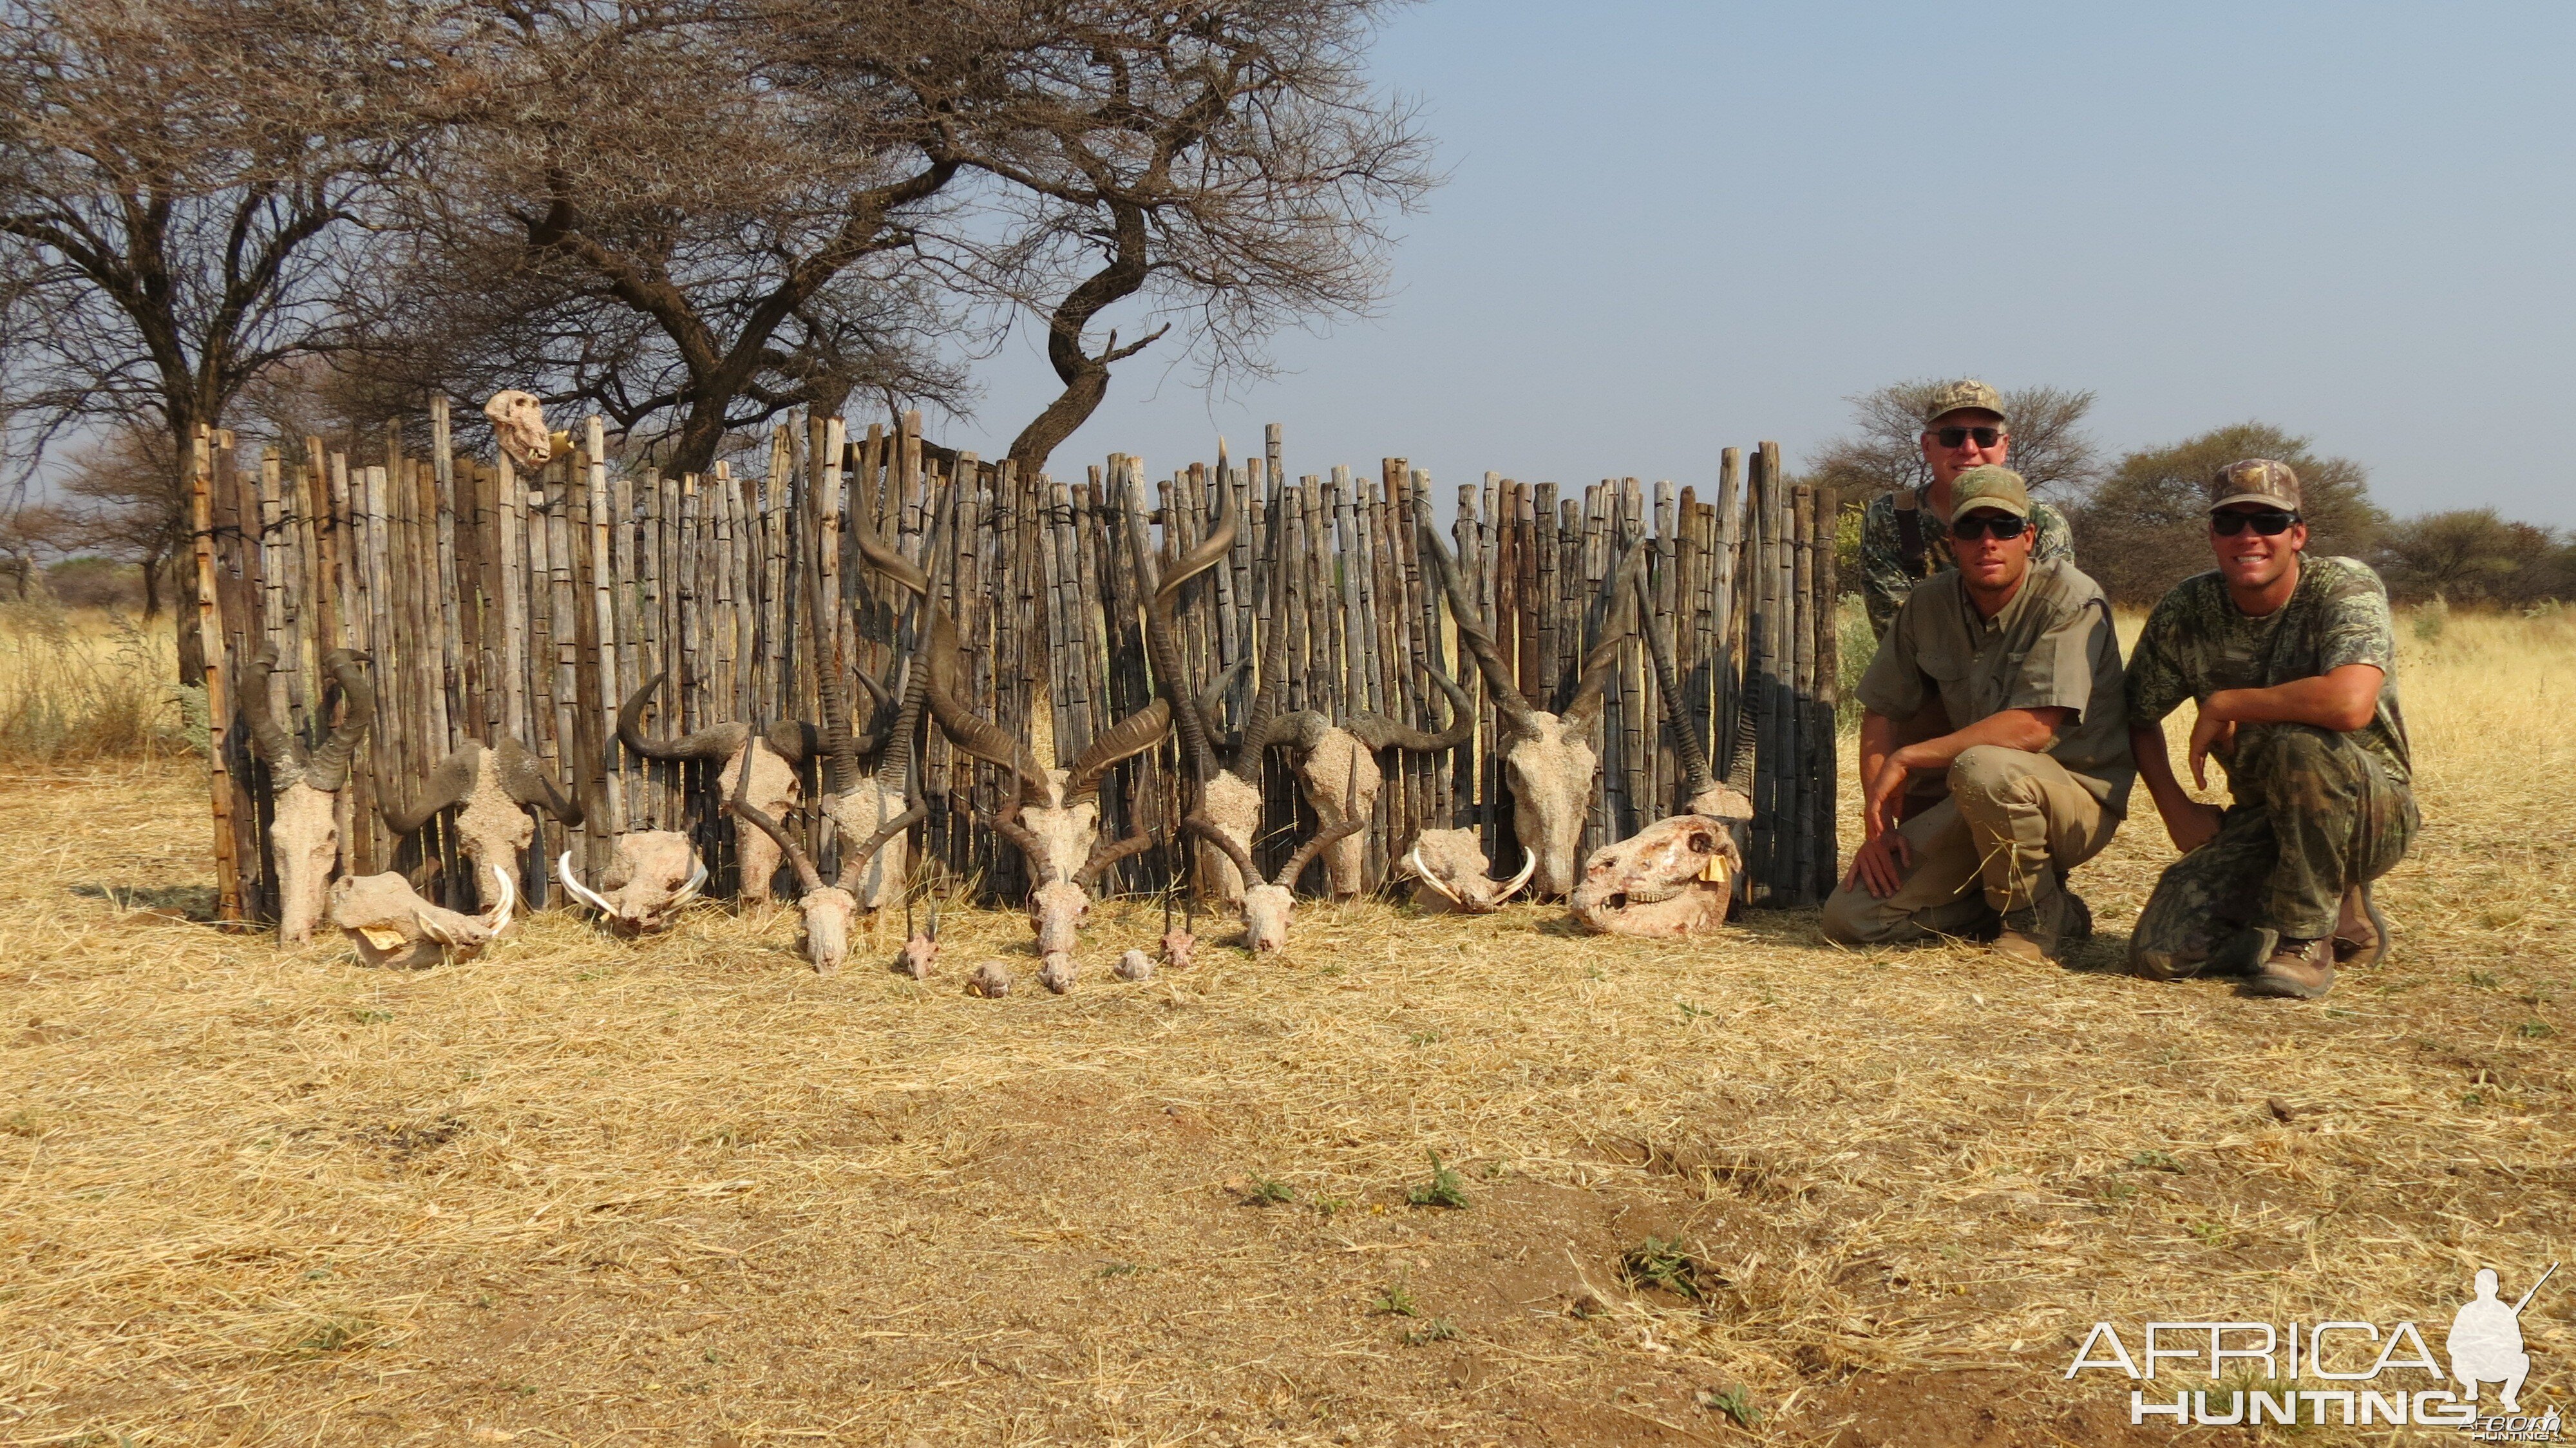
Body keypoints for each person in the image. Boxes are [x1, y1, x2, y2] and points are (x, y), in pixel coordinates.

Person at [2125, 460, 2414, 1000]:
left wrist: (2228, 702)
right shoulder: (2187, 608)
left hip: (2368, 816)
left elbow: (2350, 705)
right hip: (2264, 819)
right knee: (2157, 955)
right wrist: (2176, 810)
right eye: (2231, 522)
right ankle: (2327, 920)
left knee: (2301, 743)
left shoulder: (2343, 585)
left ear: (2297, 535)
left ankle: (2306, 939)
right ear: (2212, 535)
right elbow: (2134, 715)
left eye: (2268, 521)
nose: (2249, 536)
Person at [1823, 466, 2132, 961]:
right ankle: (2038, 906)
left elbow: (2032, 728)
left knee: (1982, 766)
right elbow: (1882, 711)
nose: (1989, 541)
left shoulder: (2070, 598)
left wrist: (1908, 758)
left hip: (2077, 800)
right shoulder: (1927, 603)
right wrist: (1877, 833)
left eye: (2005, 528)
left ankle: (2031, 922)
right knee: (1852, 919)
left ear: (2029, 537)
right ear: (1952, 540)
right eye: (1972, 528)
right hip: (1981, 797)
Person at [1857, 379, 2078, 636]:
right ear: (1927, 446)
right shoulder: (1890, 517)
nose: (1969, 449)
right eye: (1953, 437)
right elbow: (1899, 637)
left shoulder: (2043, 521)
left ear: (2004, 447)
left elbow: (2051, 623)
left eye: (1985, 437)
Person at [2446, 1269, 2532, 1413]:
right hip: (2472, 1365)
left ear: (2496, 1288)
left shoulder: (2504, 1311)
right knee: (2457, 1359)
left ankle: (2508, 1397)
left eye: (2489, 1287)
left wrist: (2500, 1345)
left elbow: (2518, 1344)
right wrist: (2471, 1346)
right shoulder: (2467, 1310)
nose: (2486, 1291)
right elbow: (2453, 1342)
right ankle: (2471, 1387)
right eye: (2482, 1286)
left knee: (2523, 1360)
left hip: (2497, 1365)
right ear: (2475, 1288)